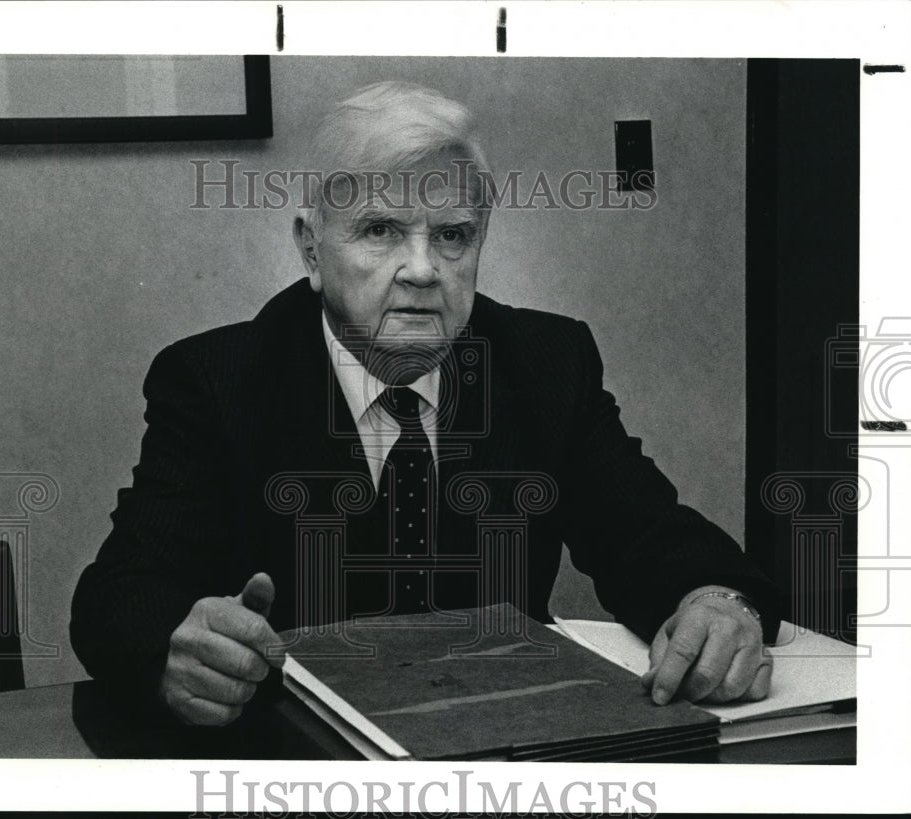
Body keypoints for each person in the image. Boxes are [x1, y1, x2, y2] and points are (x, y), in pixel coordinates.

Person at [70, 81, 779, 730]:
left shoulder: (543, 363)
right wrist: (173, 644)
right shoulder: (220, 379)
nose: (420, 269)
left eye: (451, 235)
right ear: (312, 250)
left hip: (501, 749)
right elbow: (120, 596)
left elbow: (651, 538)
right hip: (300, 762)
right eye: (380, 230)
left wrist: (720, 603)